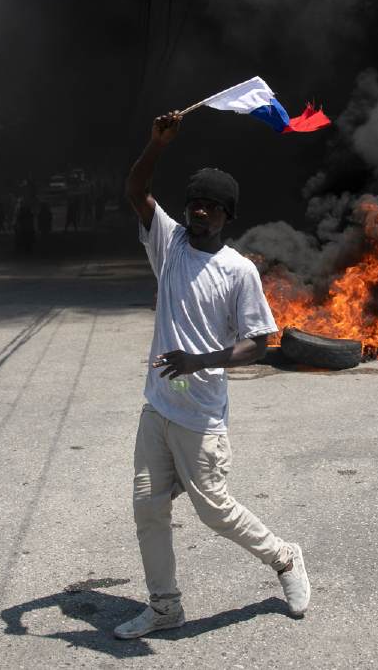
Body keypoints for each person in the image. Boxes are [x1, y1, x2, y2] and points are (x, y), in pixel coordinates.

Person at [114, 110, 309, 640]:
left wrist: (198, 361)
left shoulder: (239, 271)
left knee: (215, 511)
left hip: (200, 412)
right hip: (159, 405)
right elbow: (136, 187)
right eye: (195, 202)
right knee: (147, 508)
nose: (200, 210)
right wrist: (156, 143)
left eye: (212, 206)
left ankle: (285, 558)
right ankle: (164, 606)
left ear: (227, 216)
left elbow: (258, 345)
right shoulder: (169, 242)